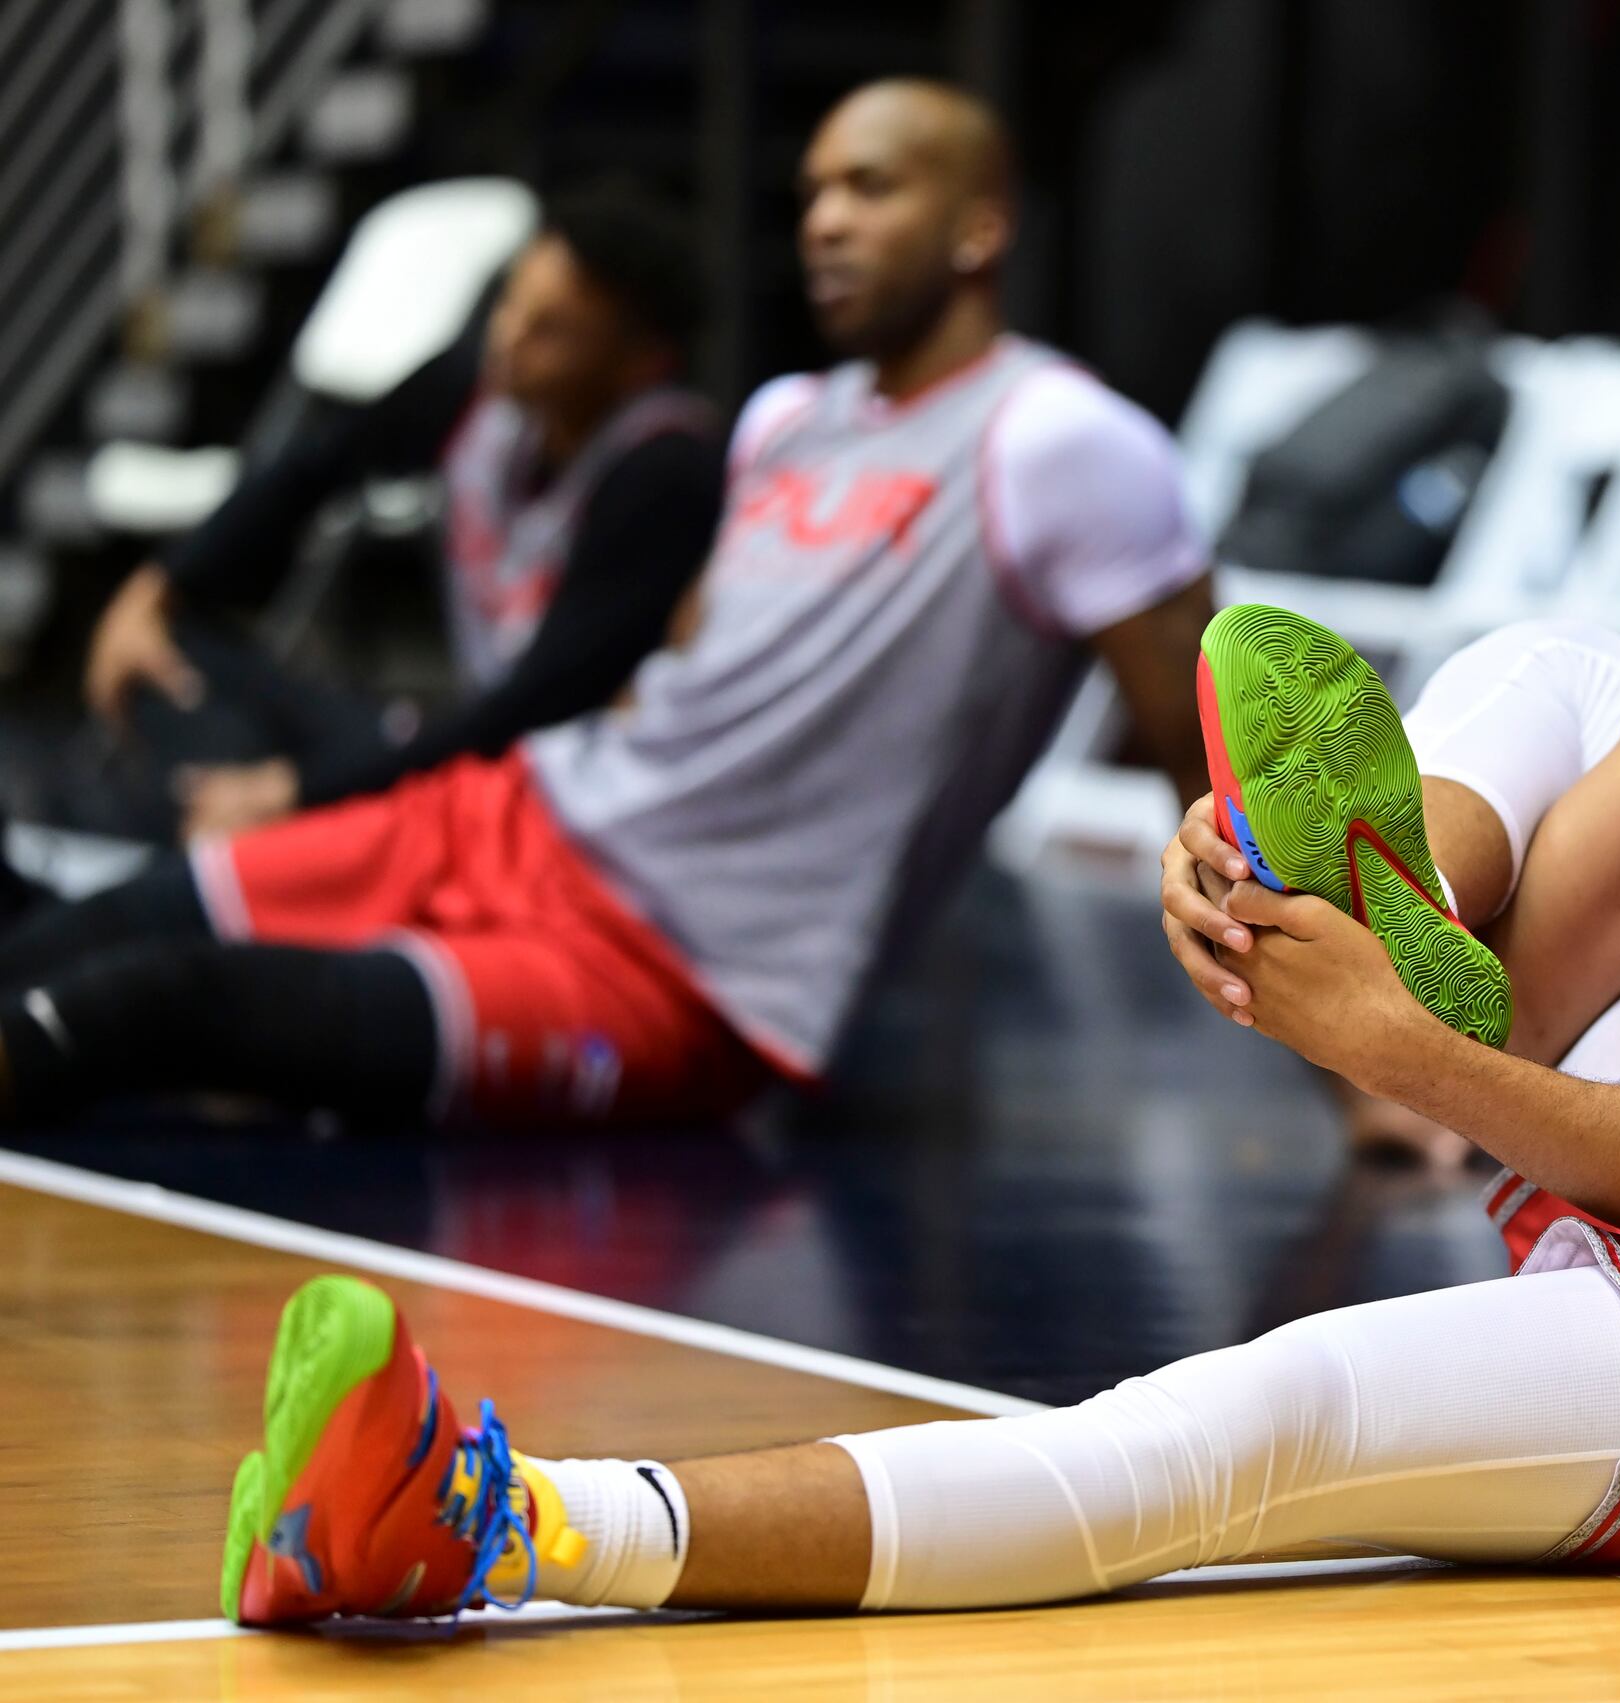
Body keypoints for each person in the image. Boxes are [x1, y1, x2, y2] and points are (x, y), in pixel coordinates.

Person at [216, 42, 1620, 1626]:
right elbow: (1601, 956)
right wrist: (1282, 914)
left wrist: (1398, 1056)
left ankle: (502, 1513)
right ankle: (1384, 877)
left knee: (1247, 1427)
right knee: (1581, 663)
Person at [0, 79, 1211, 1130]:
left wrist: (1355, 1068)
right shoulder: (788, 418)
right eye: (812, 194)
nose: (827, 222)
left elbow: (1207, 762)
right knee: (104, 926)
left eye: (872, 187)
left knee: (145, 1002)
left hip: (669, 972)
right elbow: (669, 664)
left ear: (978, 225)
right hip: (518, 812)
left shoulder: (1062, 441)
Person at [83, 184, 726, 843]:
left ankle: (240, 844)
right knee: (173, 650)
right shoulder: (483, 390)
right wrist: (157, 589)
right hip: (450, 743)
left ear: (641, 364)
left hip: (551, 803)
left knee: (262, 798)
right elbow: (317, 461)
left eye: (550, 329)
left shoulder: (667, 476)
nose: (507, 337)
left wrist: (298, 792)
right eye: (509, 301)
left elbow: (531, 716)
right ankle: (237, 837)